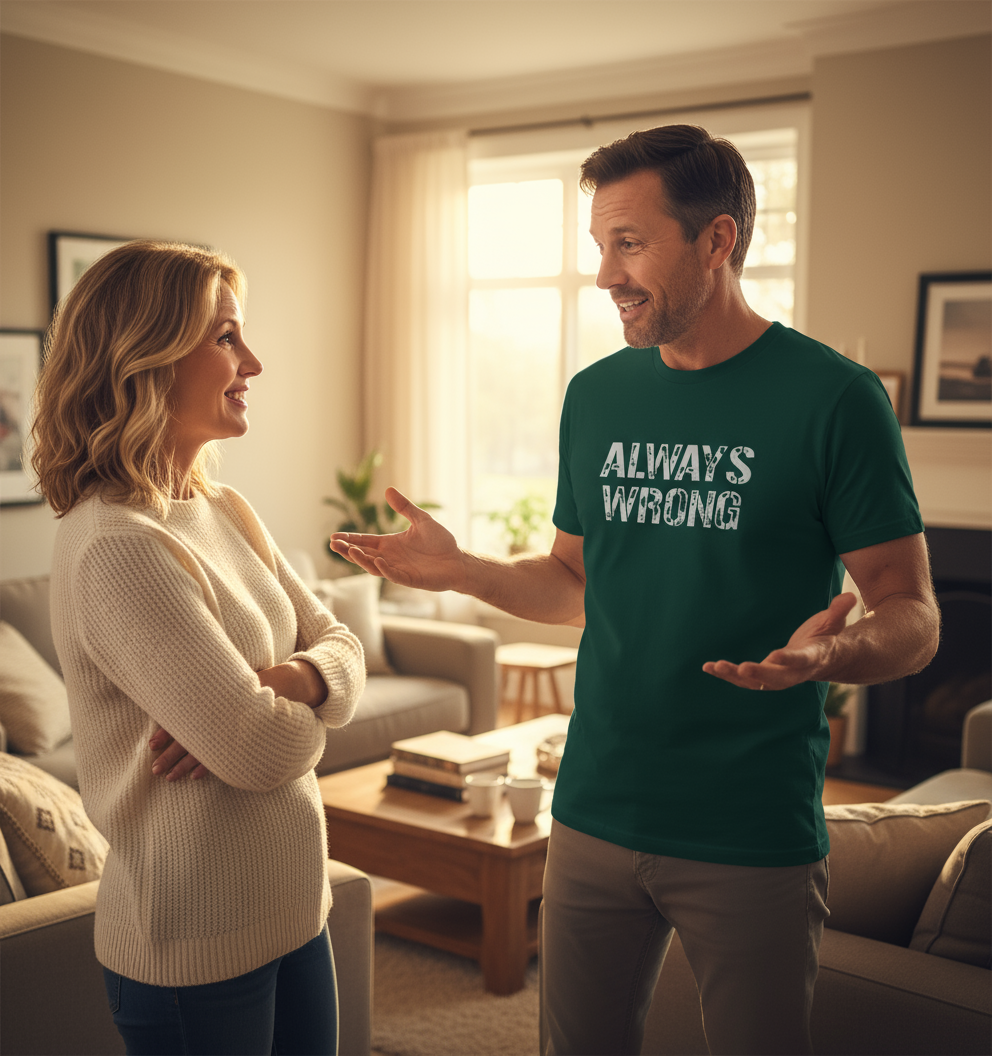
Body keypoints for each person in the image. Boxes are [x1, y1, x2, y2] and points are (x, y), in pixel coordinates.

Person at [330, 124, 940, 1056]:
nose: (606, 274)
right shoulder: (598, 395)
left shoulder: (835, 399)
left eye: (629, 243)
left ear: (718, 240)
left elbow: (914, 614)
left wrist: (834, 653)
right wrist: (464, 572)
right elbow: (574, 580)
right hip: (592, 809)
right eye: (597, 246)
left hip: (749, 824)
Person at [32, 241, 366, 1056]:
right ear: (144, 357)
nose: (253, 360)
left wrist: (283, 679)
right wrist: (269, 710)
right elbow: (258, 748)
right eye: (225, 338)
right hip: (193, 945)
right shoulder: (118, 543)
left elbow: (343, 644)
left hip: (295, 905)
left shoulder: (224, 507)